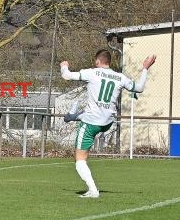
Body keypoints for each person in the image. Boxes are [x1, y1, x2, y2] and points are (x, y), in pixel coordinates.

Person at [60, 49, 156, 198]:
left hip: (91, 122)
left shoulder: (92, 72)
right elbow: (139, 88)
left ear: (98, 61)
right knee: (87, 114)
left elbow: (66, 75)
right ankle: (73, 116)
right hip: (107, 122)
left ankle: (93, 190)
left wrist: (64, 65)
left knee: (79, 159)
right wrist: (145, 68)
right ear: (109, 62)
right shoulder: (120, 77)